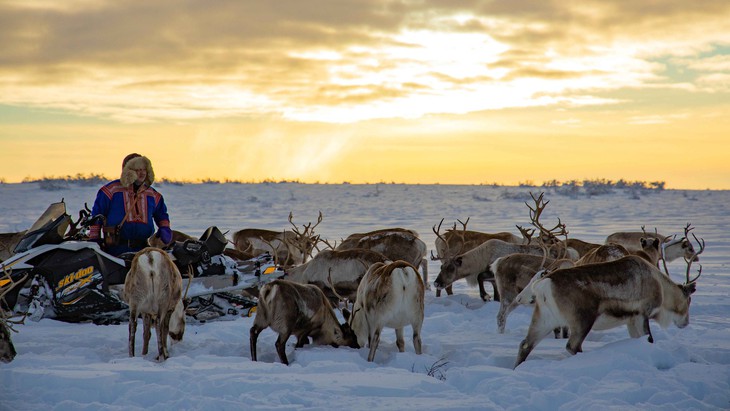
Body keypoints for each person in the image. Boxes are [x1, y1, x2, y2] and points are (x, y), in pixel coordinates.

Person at [89, 153, 172, 256]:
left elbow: (161, 215)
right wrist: (94, 239)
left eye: (144, 169)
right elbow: (97, 215)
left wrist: (165, 229)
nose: (142, 173)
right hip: (115, 250)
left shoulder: (153, 195)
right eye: (137, 170)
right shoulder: (111, 191)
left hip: (143, 249)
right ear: (128, 171)